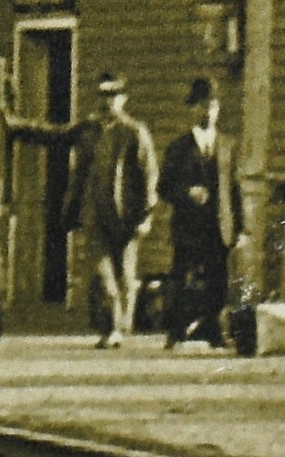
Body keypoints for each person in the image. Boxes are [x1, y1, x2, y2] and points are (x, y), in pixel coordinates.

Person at [67, 74, 157, 347]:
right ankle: (111, 330)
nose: (108, 102)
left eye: (114, 96)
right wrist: (15, 126)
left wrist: (146, 215)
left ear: (123, 99)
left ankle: (121, 326)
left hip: (125, 216)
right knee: (102, 274)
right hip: (94, 214)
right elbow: (55, 135)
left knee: (126, 276)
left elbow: (149, 176)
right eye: (104, 96)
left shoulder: (134, 132)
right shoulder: (89, 130)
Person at [159, 77, 244, 347]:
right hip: (188, 226)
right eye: (203, 106)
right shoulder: (179, 148)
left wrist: (241, 228)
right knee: (182, 279)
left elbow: (235, 189)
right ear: (193, 110)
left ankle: (214, 331)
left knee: (219, 281)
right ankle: (176, 332)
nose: (209, 111)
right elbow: (163, 187)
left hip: (220, 225)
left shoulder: (228, 145)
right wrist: (187, 193)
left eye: (214, 106)